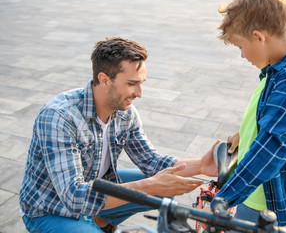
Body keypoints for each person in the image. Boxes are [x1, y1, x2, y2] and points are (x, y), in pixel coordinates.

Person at [19, 37, 219, 233]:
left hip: (93, 188)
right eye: (132, 84)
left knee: (164, 190)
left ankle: (100, 222)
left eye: (142, 83)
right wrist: (149, 186)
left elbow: (151, 162)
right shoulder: (59, 117)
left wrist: (201, 165)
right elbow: (74, 197)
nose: (139, 93)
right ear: (104, 80)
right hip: (51, 208)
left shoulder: (125, 113)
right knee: (154, 186)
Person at [209, 0, 286, 227]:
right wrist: (244, 134)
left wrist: (224, 198)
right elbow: (270, 117)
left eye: (240, 46)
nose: (242, 55)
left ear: (258, 37)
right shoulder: (279, 69)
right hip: (257, 187)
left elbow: (269, 151)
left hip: (262, 196)